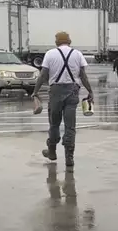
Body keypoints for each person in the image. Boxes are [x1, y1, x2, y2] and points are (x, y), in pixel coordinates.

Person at [31, 31, 94, 167]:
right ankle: (69, 157)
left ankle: (52, 151)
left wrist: (35, 91)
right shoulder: (77, 54)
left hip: (55, 92)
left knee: (54, 123)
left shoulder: (50, 54)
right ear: (69, 41)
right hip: (72, 92)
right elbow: (83, 76)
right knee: (70, 126)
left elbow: (43, 76)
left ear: (56, 42)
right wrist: (90, 91)